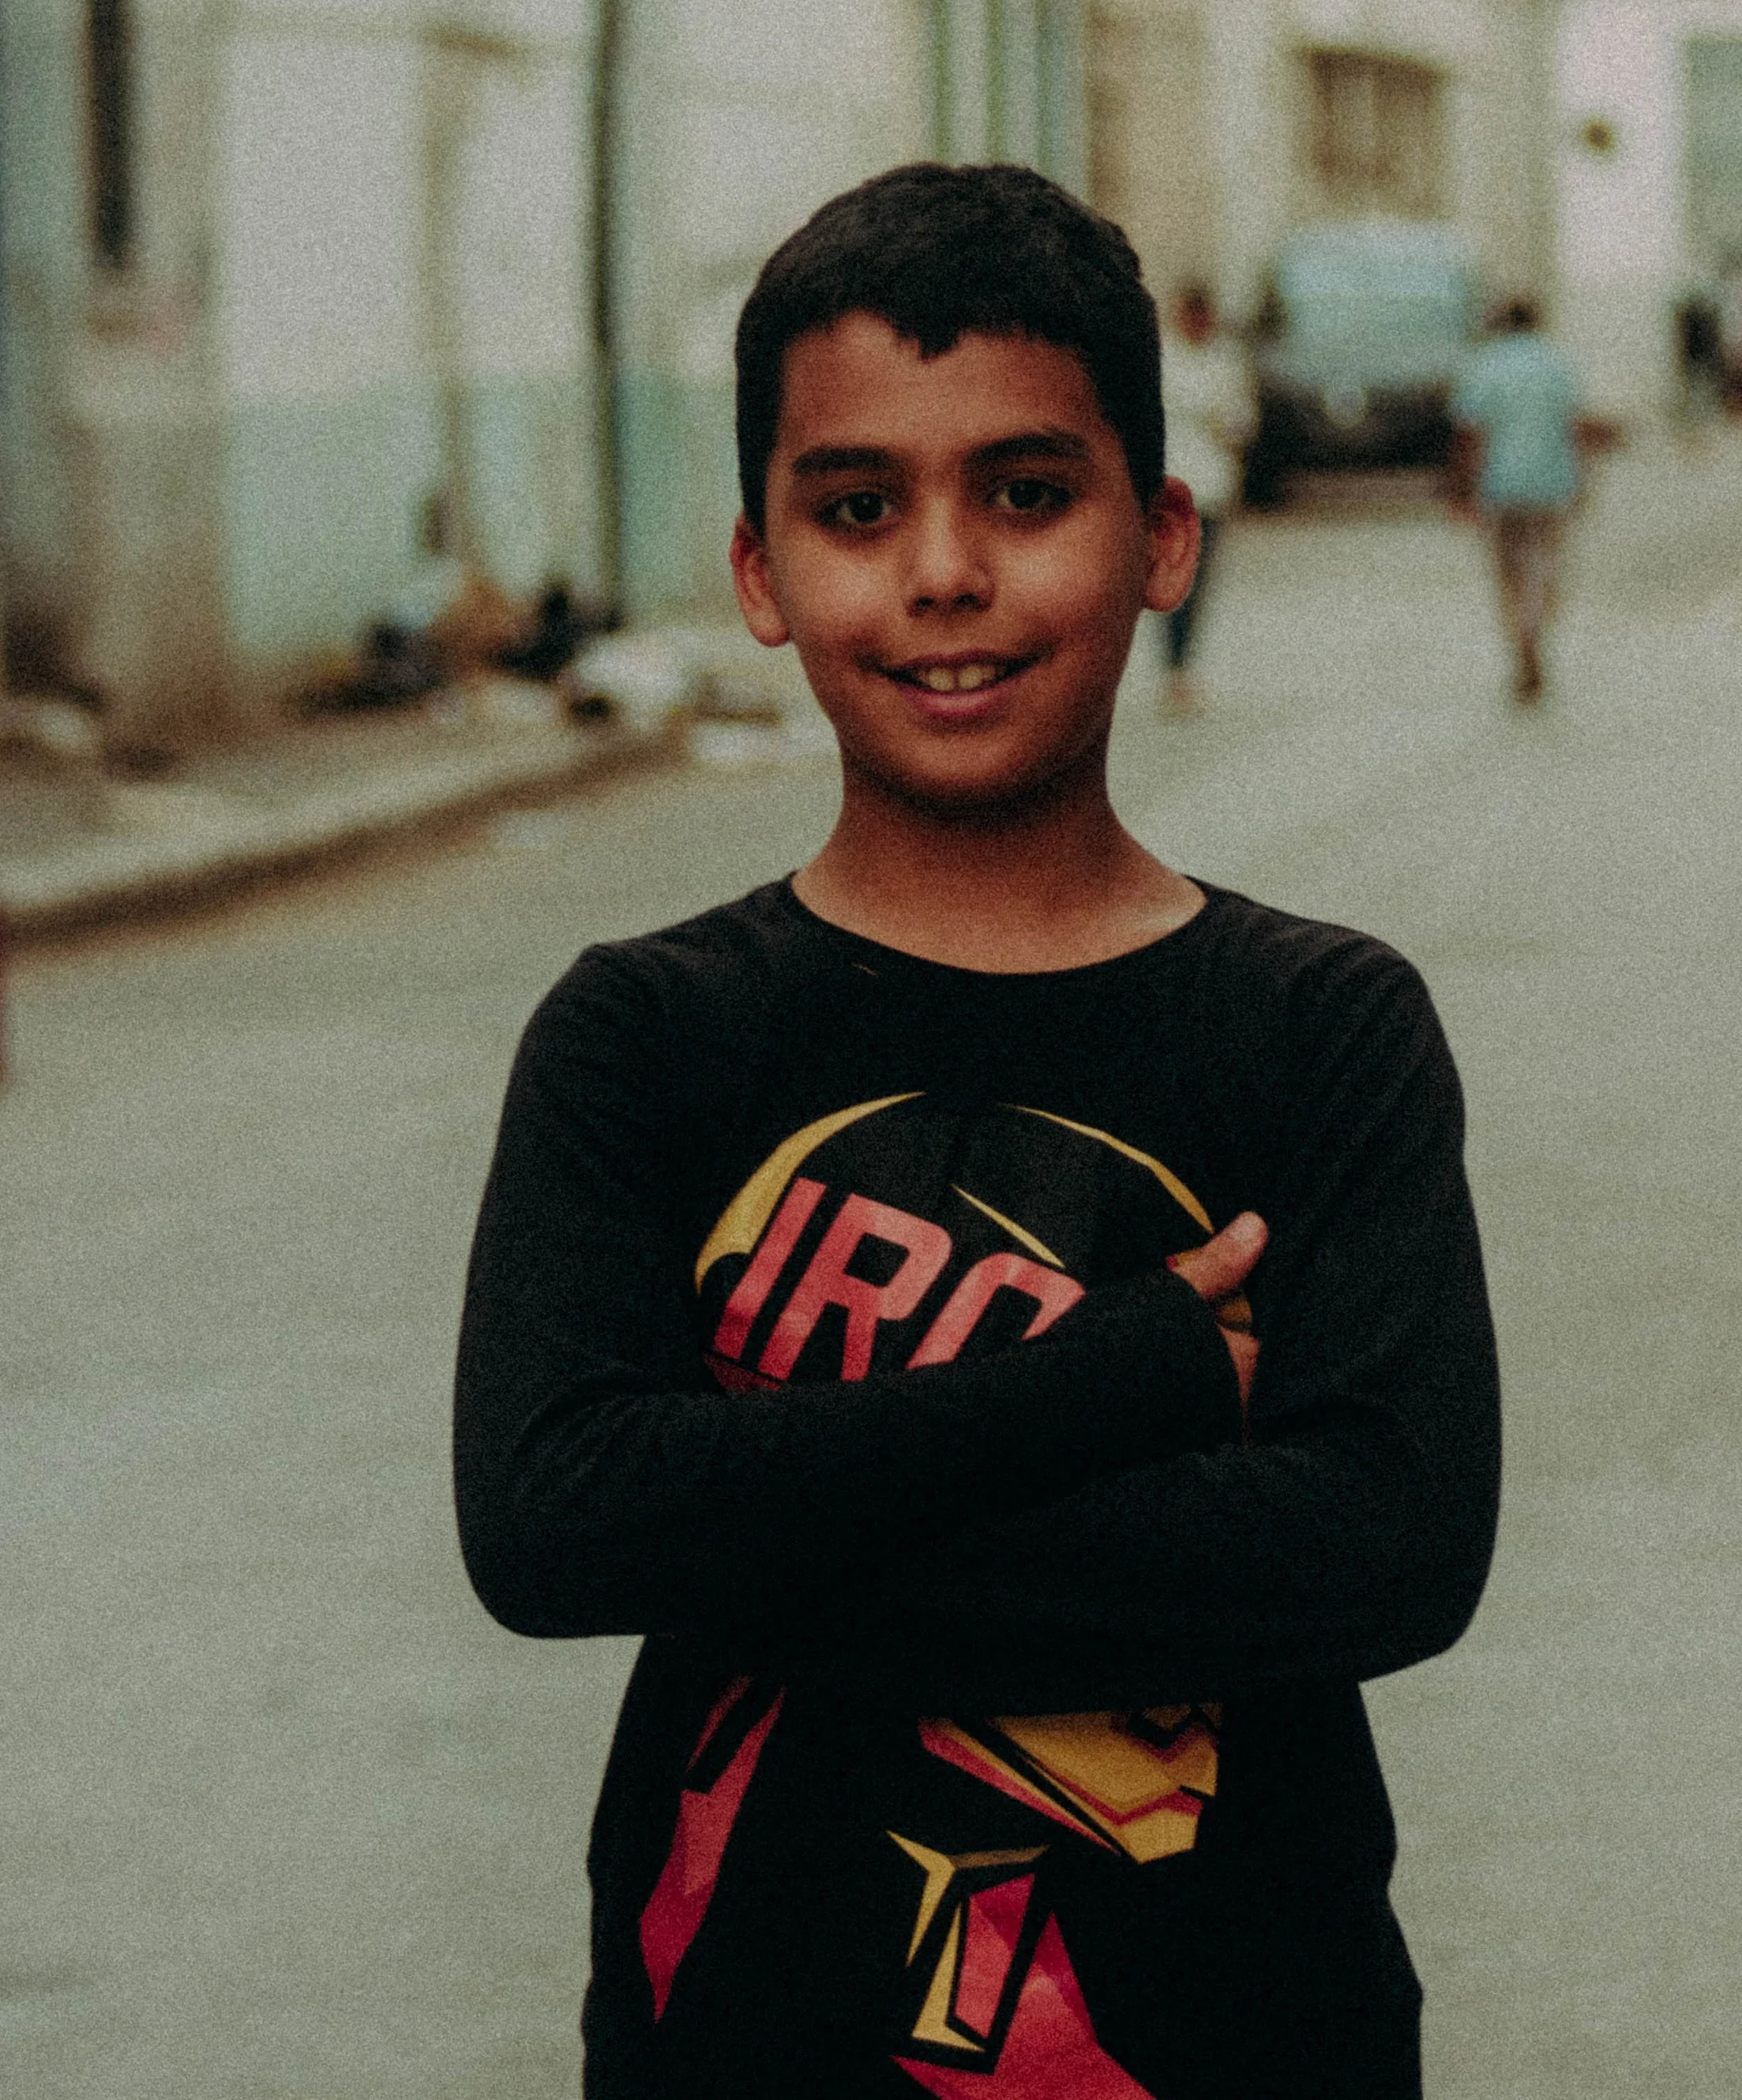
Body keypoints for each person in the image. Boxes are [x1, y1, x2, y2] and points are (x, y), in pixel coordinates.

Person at [455, 163, 1500, 2100]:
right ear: (760, 571)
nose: (944, 572)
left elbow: (1389, 1546)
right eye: (859, 507)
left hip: (1246, 2042)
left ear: (1163, 534)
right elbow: (549, 1517)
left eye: (1026, 493)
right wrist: (1125, 1378)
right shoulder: (647, 1035)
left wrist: (747, 1520)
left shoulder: (1318, 1026)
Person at [1450, 297, 1584, 703]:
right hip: (1552, 482)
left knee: (1507, 572)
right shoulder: (1557, 363)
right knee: (1543, 562)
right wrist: (1582, 484)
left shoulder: (1485, 364)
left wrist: (1462, 489)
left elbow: (1469, 432)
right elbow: (1574, 425)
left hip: (1501, 484)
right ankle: (1535, 627)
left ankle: (1520, 640)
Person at [1157, 282, 1254, 715]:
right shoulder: (1162, 360)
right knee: (1165, 574)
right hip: (1165, 483)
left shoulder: (1226, 362)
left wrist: (1227, 425)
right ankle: (1172, 665)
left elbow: (1242, 423)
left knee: (1196, 579)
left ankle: (1182, 667)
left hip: (1209, 486)